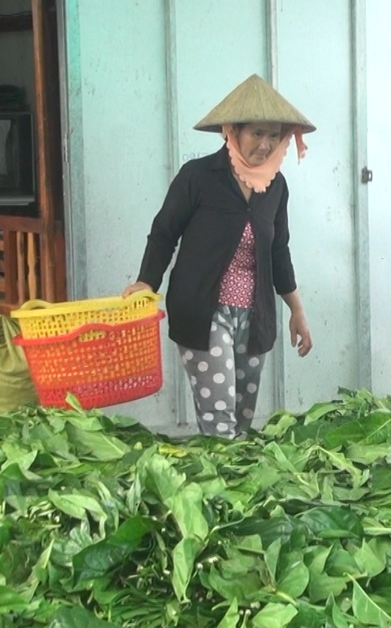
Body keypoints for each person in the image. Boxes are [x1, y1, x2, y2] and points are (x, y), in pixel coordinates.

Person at [123, 74, 314, 438]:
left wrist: (297, 311)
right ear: (233, 132)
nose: (266, 143)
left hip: (254, 315)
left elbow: (279, 251)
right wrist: (147, 282)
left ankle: (233, 486)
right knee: (221, 423)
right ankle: (221, 492)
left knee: (241, 421)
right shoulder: (198, 176)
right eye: (257, 133)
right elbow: (164, 232)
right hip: (204, 311)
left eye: (273, 135)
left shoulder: (276, 187)